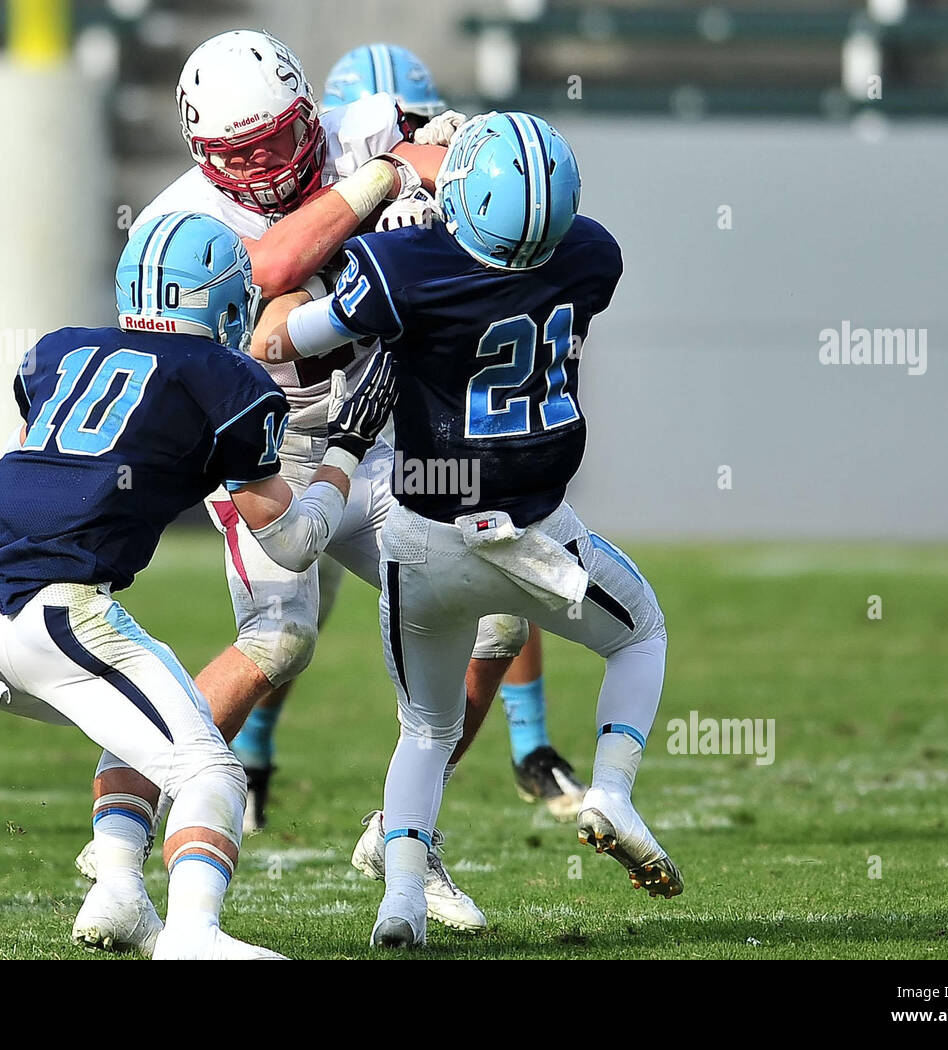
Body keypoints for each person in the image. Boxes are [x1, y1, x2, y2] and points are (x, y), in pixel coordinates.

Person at [73, 29, 495, 943]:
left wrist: (438, 163)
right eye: (242, 153)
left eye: (277, 138)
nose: (266, 165)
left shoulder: (359, 126)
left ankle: (403, 834)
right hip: (265, 448)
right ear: (203, 157)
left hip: (377, 434)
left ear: (310, 111)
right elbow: (270, 282)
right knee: (282, 637)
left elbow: (450, 151)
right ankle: (122, 825)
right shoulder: (178, 223)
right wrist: (383, 183)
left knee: (494, 609)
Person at [250, 112, 683, 948]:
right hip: (538, 535)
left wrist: (347, 278)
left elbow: (281, 341)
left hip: (423, 537)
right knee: (640, 635)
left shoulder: (403, 269)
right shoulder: (591, 255)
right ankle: (613, 792)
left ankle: (401, 904)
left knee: (425, 729)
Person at [0, 212, 396, 959]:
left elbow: (43, 468)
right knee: (211, 769)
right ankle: (193, 935)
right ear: (221, 302)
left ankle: (118, 893)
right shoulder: (223, 377)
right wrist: (347, 446)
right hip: (57, 612)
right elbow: (297, 543)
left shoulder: (59, 351)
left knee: (154, 722)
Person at [322, 41, 591, 821]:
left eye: (414, 121)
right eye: (392, 125)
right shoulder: (328, 190)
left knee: (507, 540)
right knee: (287, 615)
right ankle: (256, 760)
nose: (407, 135)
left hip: (430, 422)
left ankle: (523, 748)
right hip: (328, 430)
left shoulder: (467, 179)